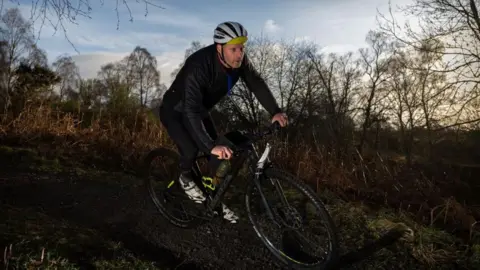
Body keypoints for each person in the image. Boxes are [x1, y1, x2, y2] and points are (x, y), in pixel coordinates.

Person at [158, 21, 288, 223]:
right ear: (220, 48)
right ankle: (184, 179)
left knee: (222, 154)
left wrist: (275, 111)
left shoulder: (239, 62)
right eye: (234, 49)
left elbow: (256, 82)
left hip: (197, 110)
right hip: (175, 110)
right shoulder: (198, 66)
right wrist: (211, 146)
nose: (240, 54)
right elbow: (189, 109)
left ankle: (213, 201)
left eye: (242, 48)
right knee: (193, 150)